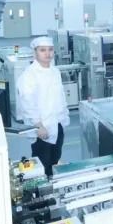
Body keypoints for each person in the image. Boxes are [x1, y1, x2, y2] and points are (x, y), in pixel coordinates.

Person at [16, 35, 70, 177]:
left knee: (55, 158)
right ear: (35, 53)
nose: (47, 53)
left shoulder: (55, 71)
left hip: (57, 124)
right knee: (42, 162)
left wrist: (64, 119)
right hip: (41, 127)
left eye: (50, 50)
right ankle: (44, 186)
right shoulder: (29, 75)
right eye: (43, 50)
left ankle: (52, 182)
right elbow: (28, 103)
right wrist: (38, 126)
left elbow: (61, 97)